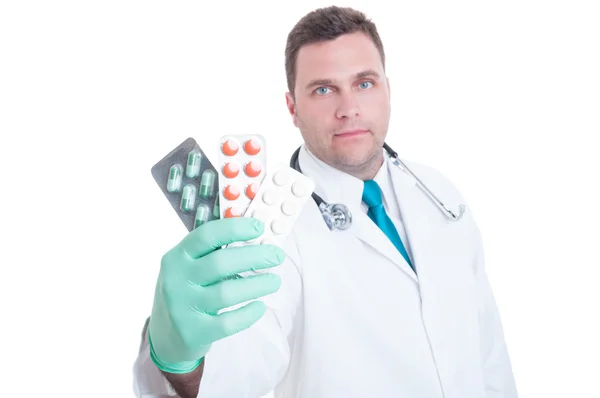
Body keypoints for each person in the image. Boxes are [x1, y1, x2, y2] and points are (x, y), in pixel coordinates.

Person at [133, 5, 518, 398]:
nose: (348, 108)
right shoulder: (265, 231)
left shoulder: (440, 194)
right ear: (292, 108)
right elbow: (238, 373)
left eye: (364, 83)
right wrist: (178, 359)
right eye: (323, 89)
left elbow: (488, 353)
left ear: (388, 89)